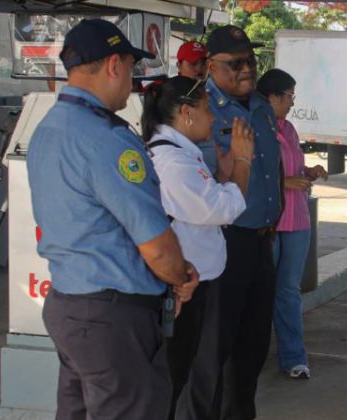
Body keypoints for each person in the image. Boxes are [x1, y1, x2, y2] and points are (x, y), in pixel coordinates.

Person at [27, 19, 199, 419]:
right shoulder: (107, 139)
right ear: (114, 65)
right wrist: (180, 276)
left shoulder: (48, 128)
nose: (133, 80)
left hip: (68, 307)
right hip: (112, 317)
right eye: (131, 67)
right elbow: (157, 247)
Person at [141, 76, 255, 419]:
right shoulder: (175, 163)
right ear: (186, 113)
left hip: (195, 280)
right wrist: (243, 161)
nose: (213, 118)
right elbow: (224, 209)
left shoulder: (180, 155)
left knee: (186, 371)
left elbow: (202, 205)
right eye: (207, 108)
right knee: (177, 376)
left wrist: (223, 177)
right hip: (183, 286)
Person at [202, 25, 282, 420]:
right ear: (211, 66)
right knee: (214, 351)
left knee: (253, 348)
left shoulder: (263, 108)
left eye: (251, 60)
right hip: (223, 242)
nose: (247, 69)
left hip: (261, 241)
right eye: (235, 64)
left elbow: (273, 167)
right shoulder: (201, 109)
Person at [257, 68, 328, 380]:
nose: (291, 103)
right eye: (289, 97)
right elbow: (248, 176)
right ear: (272, 97)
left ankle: (294, 357)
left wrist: (309, 172)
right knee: (262, 290)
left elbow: (294, 168)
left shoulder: (289, 128)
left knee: (288, 290)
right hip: (270, 221)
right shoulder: (254, 127)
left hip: (297, 220)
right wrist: (284, 182)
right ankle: (252, 355)